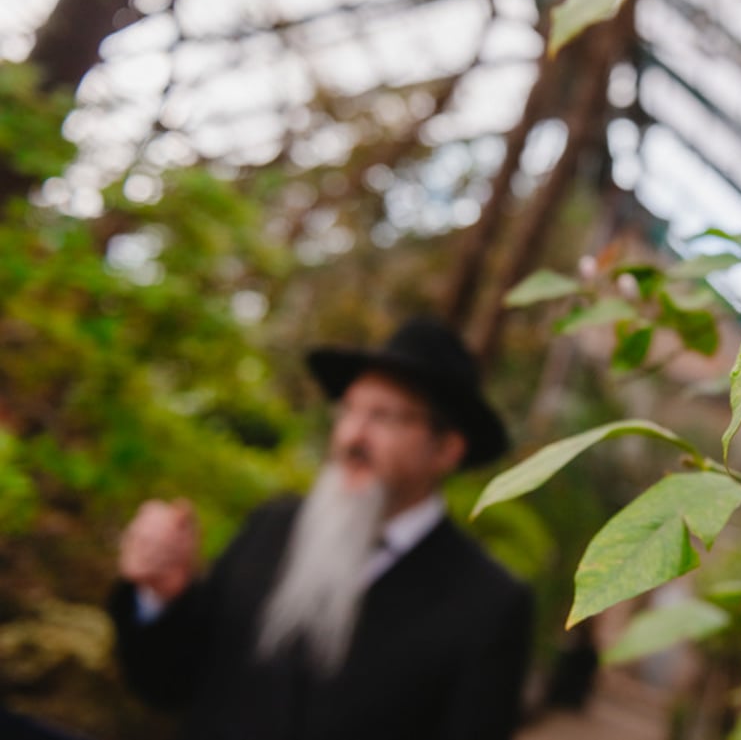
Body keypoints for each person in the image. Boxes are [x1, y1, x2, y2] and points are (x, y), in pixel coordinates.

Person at [108, 317, 533, 740]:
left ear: (445, 449)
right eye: (348, 410)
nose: (351, 436)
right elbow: (167, 685)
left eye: (382, 417)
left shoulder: (487, 604)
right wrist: (163, 596)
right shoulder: (271, 526)